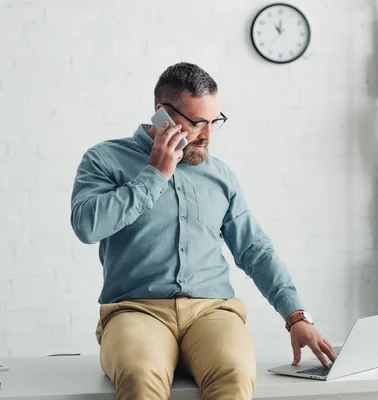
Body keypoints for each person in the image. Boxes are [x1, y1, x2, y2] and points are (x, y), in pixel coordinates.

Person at [70, 62, 336, 400]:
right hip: (135, 310)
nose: (207, 135)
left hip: (212, 312)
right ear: (161, 114)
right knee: (139, 377)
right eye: (197, 122)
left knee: (237, 374)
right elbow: (87, 226)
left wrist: (296, 316)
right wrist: (154, 175)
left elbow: (255, 250)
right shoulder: (105, 159)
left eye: (214, 122)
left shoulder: (220, 176)